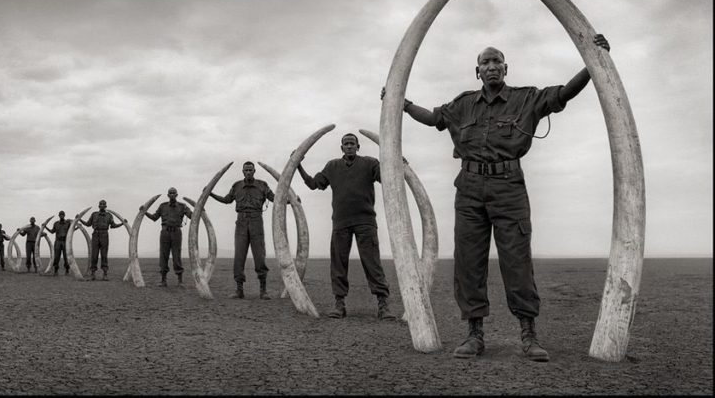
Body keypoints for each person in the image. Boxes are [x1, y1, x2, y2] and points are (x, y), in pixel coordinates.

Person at [389, 34, 610, 362]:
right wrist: (401, 104)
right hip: (469, 189)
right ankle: (474, 334)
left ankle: (528, 334)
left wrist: (593, 65)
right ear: (477, 71)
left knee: (516, 260)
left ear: (506, 68)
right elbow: (435, 118)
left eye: (497, 62)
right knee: (468, 262)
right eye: (485, 62)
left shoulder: (526, 99)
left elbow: (562, 94)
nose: (491, 66)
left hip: (509, 188)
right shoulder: (462, 105)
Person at [297, 133, 395, 320]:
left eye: (352, 143)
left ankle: (383, 305)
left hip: (365, 222)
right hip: (341, 222)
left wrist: (397, 162)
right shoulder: (332, 166)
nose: (349, 146)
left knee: (372, 262)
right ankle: (339, 304)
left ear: (358, 147)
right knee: (338, 264)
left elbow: (388, 178)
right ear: (341, 147)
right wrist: (298, 164)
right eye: (346, 144)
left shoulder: (370, 163)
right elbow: (314, 184)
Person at [209, 162, 275, 299]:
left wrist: (291, 200)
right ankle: (239, 290)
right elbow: (227, 200)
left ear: (254, 171)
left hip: (257, 221)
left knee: (259, 256)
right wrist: (210, 194)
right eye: (246, 170)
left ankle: (263, 290)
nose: (249, 172)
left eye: (251, 170)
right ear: (243, 171)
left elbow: (275, 198)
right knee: (239, 256)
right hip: (241, 223)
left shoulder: (263, 185)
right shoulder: (237, 186)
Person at [143, 187, 193, 287]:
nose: (172, 195)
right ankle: (163, 280)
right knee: (163, 255)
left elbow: (192, 216)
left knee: (176, 255)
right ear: (168, 195)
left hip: (176, 232)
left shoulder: (183, 206)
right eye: (170, 193)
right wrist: (144, 212)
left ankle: (180, 281)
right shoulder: (162, 206)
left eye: (174, 193)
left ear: (177, 194)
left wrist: (199, 210)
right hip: (165, 232)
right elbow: (154, 218)